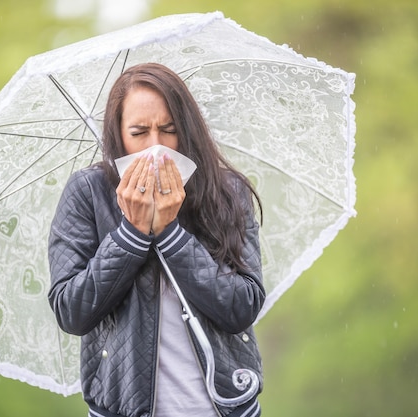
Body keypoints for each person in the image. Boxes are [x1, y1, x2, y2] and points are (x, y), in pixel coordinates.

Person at [48, 63, 265, 417]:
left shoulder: (226, 192)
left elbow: (242, 306)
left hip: (225, 407)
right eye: (139, 132)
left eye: (168, 130)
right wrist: (131, 234)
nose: (156, 148)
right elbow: (71, 311)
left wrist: (170, 233)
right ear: (118, 136)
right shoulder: (87, 193)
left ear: (187, 131)